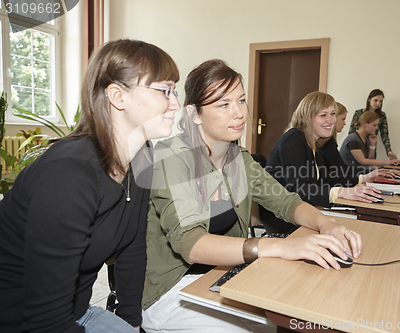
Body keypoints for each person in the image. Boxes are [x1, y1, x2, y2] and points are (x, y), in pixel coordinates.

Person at [141, 60, 362, 333]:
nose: (239, 114)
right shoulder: (172, 157)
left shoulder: (237, 159)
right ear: (195, 114)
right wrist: (278, 247)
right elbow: (192, 243)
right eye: (223, 105)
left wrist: (327, 224)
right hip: (170, 289)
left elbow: (286, 201)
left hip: (219, 273)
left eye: (241, 100)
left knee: (287, 318)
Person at [0, 39, 180, 333]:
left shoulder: (142, 158)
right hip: (21, 320)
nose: (176, 103)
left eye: (174, 91)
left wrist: (131, 321)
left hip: (77, 310)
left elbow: (132, 247)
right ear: (118, 96)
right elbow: (44, 321)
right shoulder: (68, 175)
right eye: (165, 91)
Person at [266, 92, 400, 209]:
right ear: (307, 117)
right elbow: (299, 189)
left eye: (333, 114)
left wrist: (361, 180)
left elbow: (325, 178)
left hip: (303, 208)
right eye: (323, 115)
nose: (330, 120)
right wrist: (342, 192)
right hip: (283, 215)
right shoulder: (293, 140)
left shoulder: (314, 141)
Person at [348, 89, 399, 160]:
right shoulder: (358, 113)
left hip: (372, 147)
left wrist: (389, 151)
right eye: (375, 100)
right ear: (369, 99)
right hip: (358, 147)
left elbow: (384, 135)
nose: (378, 103)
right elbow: (351, 132)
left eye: (380, 101)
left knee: (371, 167)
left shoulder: (382, 116)